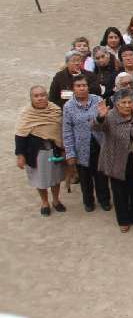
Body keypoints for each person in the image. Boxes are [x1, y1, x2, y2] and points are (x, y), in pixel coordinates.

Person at [94, 89, 133, 232]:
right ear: (117, 104)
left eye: (129, 102)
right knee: (119, 192)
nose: (127, 105)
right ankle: (123, 220)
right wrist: (100, 117)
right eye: (123, 102)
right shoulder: (110, 117)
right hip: (116, 160)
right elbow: (96, 127)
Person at [15, 86, 66, 216]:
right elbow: (20, 135)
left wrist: (64, 148)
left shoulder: (55, 110)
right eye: (36, 96)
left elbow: (62, 130)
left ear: (47, 96)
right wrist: (20, 155)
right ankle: (44, 202)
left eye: (42, 95)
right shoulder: (26, 114)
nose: (40, 98)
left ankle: (55, 200)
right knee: (40, 179)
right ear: (31, 98)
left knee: (56, 178)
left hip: (55, 149)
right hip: (36, 153)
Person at [62, 76, 110, 212]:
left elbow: (105, 125)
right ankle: (88, 201)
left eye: (84, 85)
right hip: (80, 146)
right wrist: (70, 152)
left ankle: (104, 200)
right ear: (73, 89)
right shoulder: (68, 106)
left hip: (99, 144)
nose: (82, 88)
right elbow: (67, 130)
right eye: (78, 86)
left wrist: (102, 117)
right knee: (84, 177)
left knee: (101, 175)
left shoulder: (98, 100)